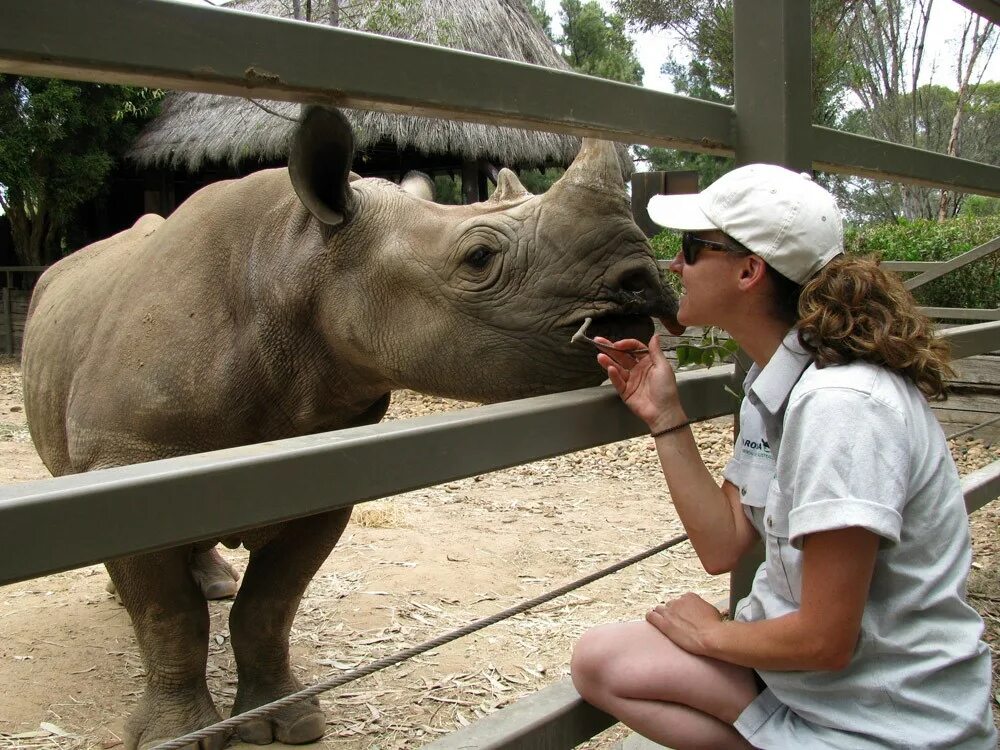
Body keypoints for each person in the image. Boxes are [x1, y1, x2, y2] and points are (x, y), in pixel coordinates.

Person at [570, 163, 997, 749]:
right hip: (815, 688)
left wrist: (710, 637)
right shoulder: (781, 384)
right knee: (600, 661)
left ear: (750, 271)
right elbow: (723, 545)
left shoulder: (841, 407)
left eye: (694, 248)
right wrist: (664, 414)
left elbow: (825, 640)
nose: (674, 264)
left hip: (890, 721)